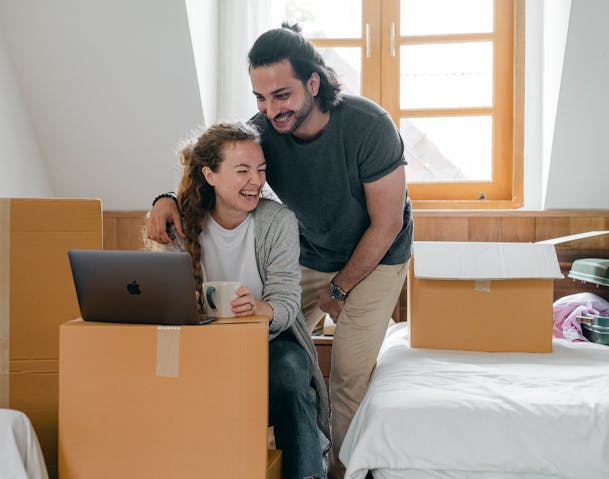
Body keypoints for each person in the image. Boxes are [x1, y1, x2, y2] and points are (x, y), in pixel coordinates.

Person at [147, 23, 413, 479]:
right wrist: (163, 200)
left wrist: (339, 290)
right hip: (312, 249)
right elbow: (207, 161)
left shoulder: (369, 126)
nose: (271, 110)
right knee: (280, 347)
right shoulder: (263, 132)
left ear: (314, 82)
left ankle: (343, 471)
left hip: (378, 254)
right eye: (260, 98)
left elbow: (386, 223)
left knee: (347, 375)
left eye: (282, 95)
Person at [150, 121, 329, 479]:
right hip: (200, 345)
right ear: (210, 175)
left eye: (261, 170)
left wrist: (262, 310)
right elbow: (165, 298)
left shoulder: (277, 221)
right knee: (158, 370)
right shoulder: (180, 221)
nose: (256, 181)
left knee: (291, 371)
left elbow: (287, 300)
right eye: (243, 170)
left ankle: (307, 473)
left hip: (268, 342)